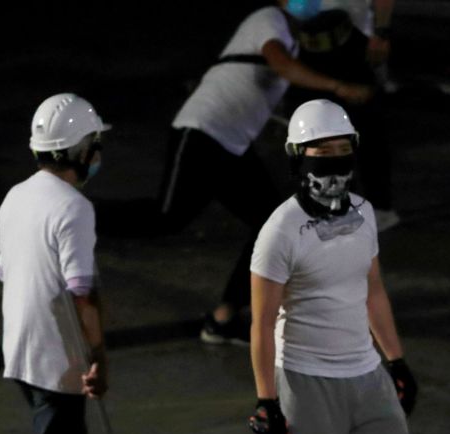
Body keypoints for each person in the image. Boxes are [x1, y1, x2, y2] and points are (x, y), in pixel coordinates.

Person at [248, 99, 418, 434]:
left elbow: (373, 293)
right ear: (298, 160)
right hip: (305, 380)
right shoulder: (280, 231)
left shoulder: (364, 214)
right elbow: (261, 324)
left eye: (344, 153)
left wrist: (396, 361)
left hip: (366, 374)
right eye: (322, 155)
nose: (334, 166)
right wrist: (266, 401)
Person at [157, 0, 373, 346]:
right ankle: (78, 215)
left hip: (232, 143)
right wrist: (337, 86)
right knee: (165, 217)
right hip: (202, 129)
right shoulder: (268, 19)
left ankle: (223, 318)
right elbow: (282, 66)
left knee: (269, 224)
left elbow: (298, 68)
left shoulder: (294, 36)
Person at [0, 93, 110, 434]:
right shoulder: (74, 208)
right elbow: (81, 291)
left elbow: (9, 272)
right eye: (96, 145)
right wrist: (97, 356)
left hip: (20, 347)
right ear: (80, 149)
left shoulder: (16, 197)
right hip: (55, 355)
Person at [285, 0, 399, 232]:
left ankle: (380, 207)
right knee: (319, 133)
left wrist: (381, 32)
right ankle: (335, 208)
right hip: (310, 46)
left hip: (351, 42)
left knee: (366, 130)